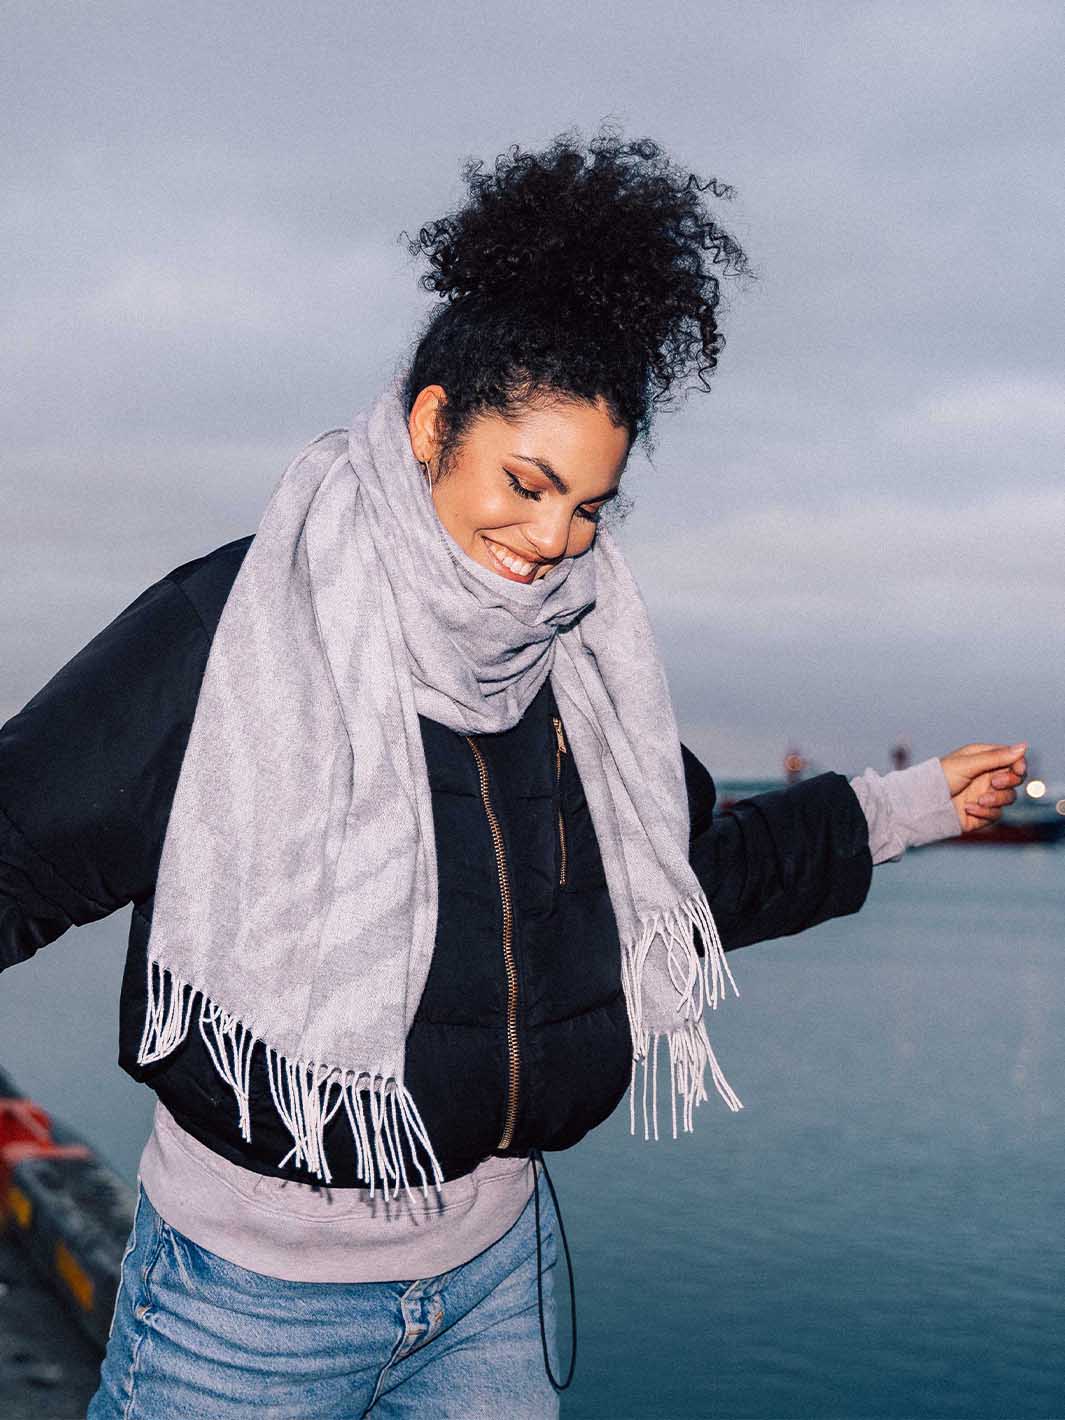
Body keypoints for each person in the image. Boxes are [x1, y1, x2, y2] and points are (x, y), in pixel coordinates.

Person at [0, 128, 1027, 1420]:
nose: (552, 541)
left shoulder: (571, 669)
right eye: (527, 483)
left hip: (493, 1281)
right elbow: (20, 845)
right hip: (244, 1301)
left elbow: (683, 873)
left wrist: (908, 807)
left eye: (590, 506)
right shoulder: (237, 628)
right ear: (434, 426)